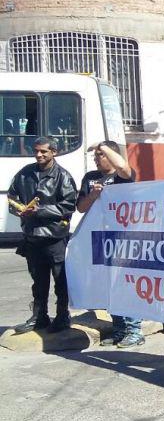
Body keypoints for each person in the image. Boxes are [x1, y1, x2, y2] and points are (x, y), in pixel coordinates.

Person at [76, 141, 143, 348]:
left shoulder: (123, 176)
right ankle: (119, 329)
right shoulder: (90, 178)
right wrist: (94, 195)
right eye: (95, 155)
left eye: (101, 155)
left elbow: (123, 167)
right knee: (109, 285)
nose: (96, 158)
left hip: (124, 237)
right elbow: (80, 208)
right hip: (101, 238)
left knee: (125, 284)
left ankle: (134, 331)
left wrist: (102, 145)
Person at [9, 137, 78, 334]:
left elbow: (68, 205)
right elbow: (12, 198)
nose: (39, 154)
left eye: (44, 151)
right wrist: (18, 210)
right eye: (36, 151)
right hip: (32, 237)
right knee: (38, 282)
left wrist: (39, 211)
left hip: (54, 238)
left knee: (60, 281)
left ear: (53, 152)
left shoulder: (62, 176)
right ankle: (39, 317)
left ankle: (63, 316)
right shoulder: (24, 174)